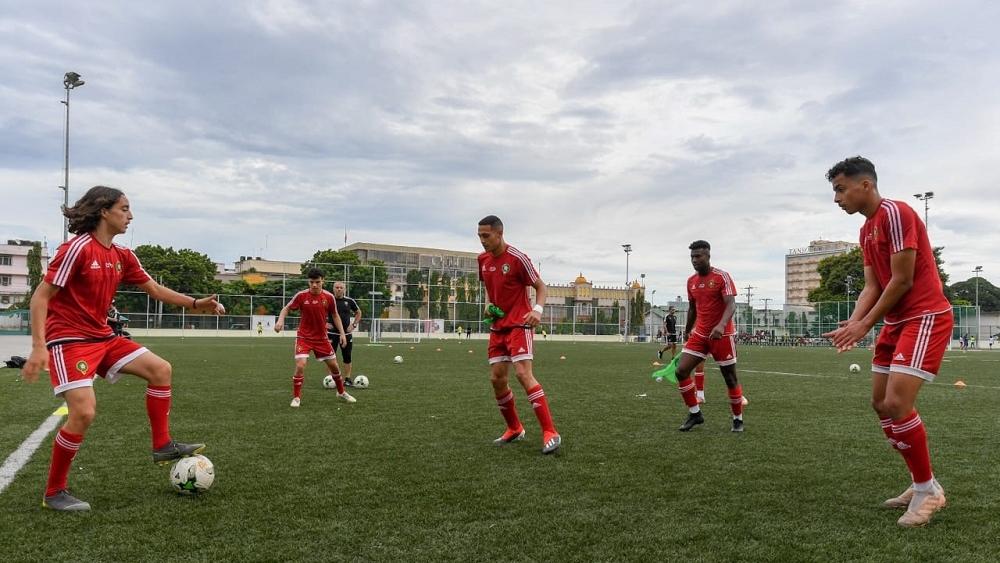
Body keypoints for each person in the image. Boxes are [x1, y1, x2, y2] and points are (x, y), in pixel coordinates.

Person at [20, 185, 225, 512]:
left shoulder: (122, 256)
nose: (130, 215)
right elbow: (40, 297)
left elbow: (155, 290)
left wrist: (197, 302)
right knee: (84, 412)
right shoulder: (78, 249)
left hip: (103, 336)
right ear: (104, 211)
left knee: (161, 369)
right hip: (69, 339)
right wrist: (39, 346)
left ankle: (162, 444)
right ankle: (54, 492)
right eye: (124, 208)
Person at [823, 156, 953, 527]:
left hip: (925, 316)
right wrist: (854, 320)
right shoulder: (865, 231)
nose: (837, 198)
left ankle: (928, 492)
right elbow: (872, 286)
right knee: (880, 404)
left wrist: (864, 326)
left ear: (865, 185)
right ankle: (921, 482)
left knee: (897, 402)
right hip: (895, 321)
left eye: (840, 189)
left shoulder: (896, 214)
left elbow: (902, 280)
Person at [477, 215, 561, 454]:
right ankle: (514, 428)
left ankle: (550, 432)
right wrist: (488, 304)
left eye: (486, 236)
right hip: (497, 327)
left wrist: (537, 309)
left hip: (519, 325)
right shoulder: (482, 259)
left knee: (524, 374)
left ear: (499, 234)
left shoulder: (518, 259)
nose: (482, 241)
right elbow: (488, 287)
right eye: (480, 236)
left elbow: (541, 287)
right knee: (497, 379)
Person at [671, 240, 745, 433]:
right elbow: (693, 308)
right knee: (681, 371)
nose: (695, 260)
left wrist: (721, 325)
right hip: (700, 335)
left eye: (698, 256)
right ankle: (695, 414)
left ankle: (738, 419)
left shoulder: (722, 277)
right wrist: (688, 330)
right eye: (692, 257)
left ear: (708, 256)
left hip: (722, 335)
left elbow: (731, 304)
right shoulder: (691, 281)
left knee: (730, 379)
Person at [275, 269, 354, 407]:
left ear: (323, 280)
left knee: (334, 367)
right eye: (312, 282)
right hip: (304, 337)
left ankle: (341, 392)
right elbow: (286, 308)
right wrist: (280, 320)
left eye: (317, 282)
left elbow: (335, 315)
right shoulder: (301, 296)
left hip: (322, 338)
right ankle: (296, 398)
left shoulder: (329, 297)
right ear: (308, 282)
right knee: (300, 365)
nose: (314, 285)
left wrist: (342, 333)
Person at [328, 281, 362, 386]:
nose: (339, 289)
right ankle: (331, 378)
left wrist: (354, 325)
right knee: (330, 358)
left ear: (344, 289)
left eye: (341, 287)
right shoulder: (328, 300)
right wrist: (324, 323)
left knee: (347, 356)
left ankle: (347, 379)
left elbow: (358, 312)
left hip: (346, 335)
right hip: (331, 334)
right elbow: (319, 313)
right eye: (337, 287)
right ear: (333, 288)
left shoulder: (349, 301)